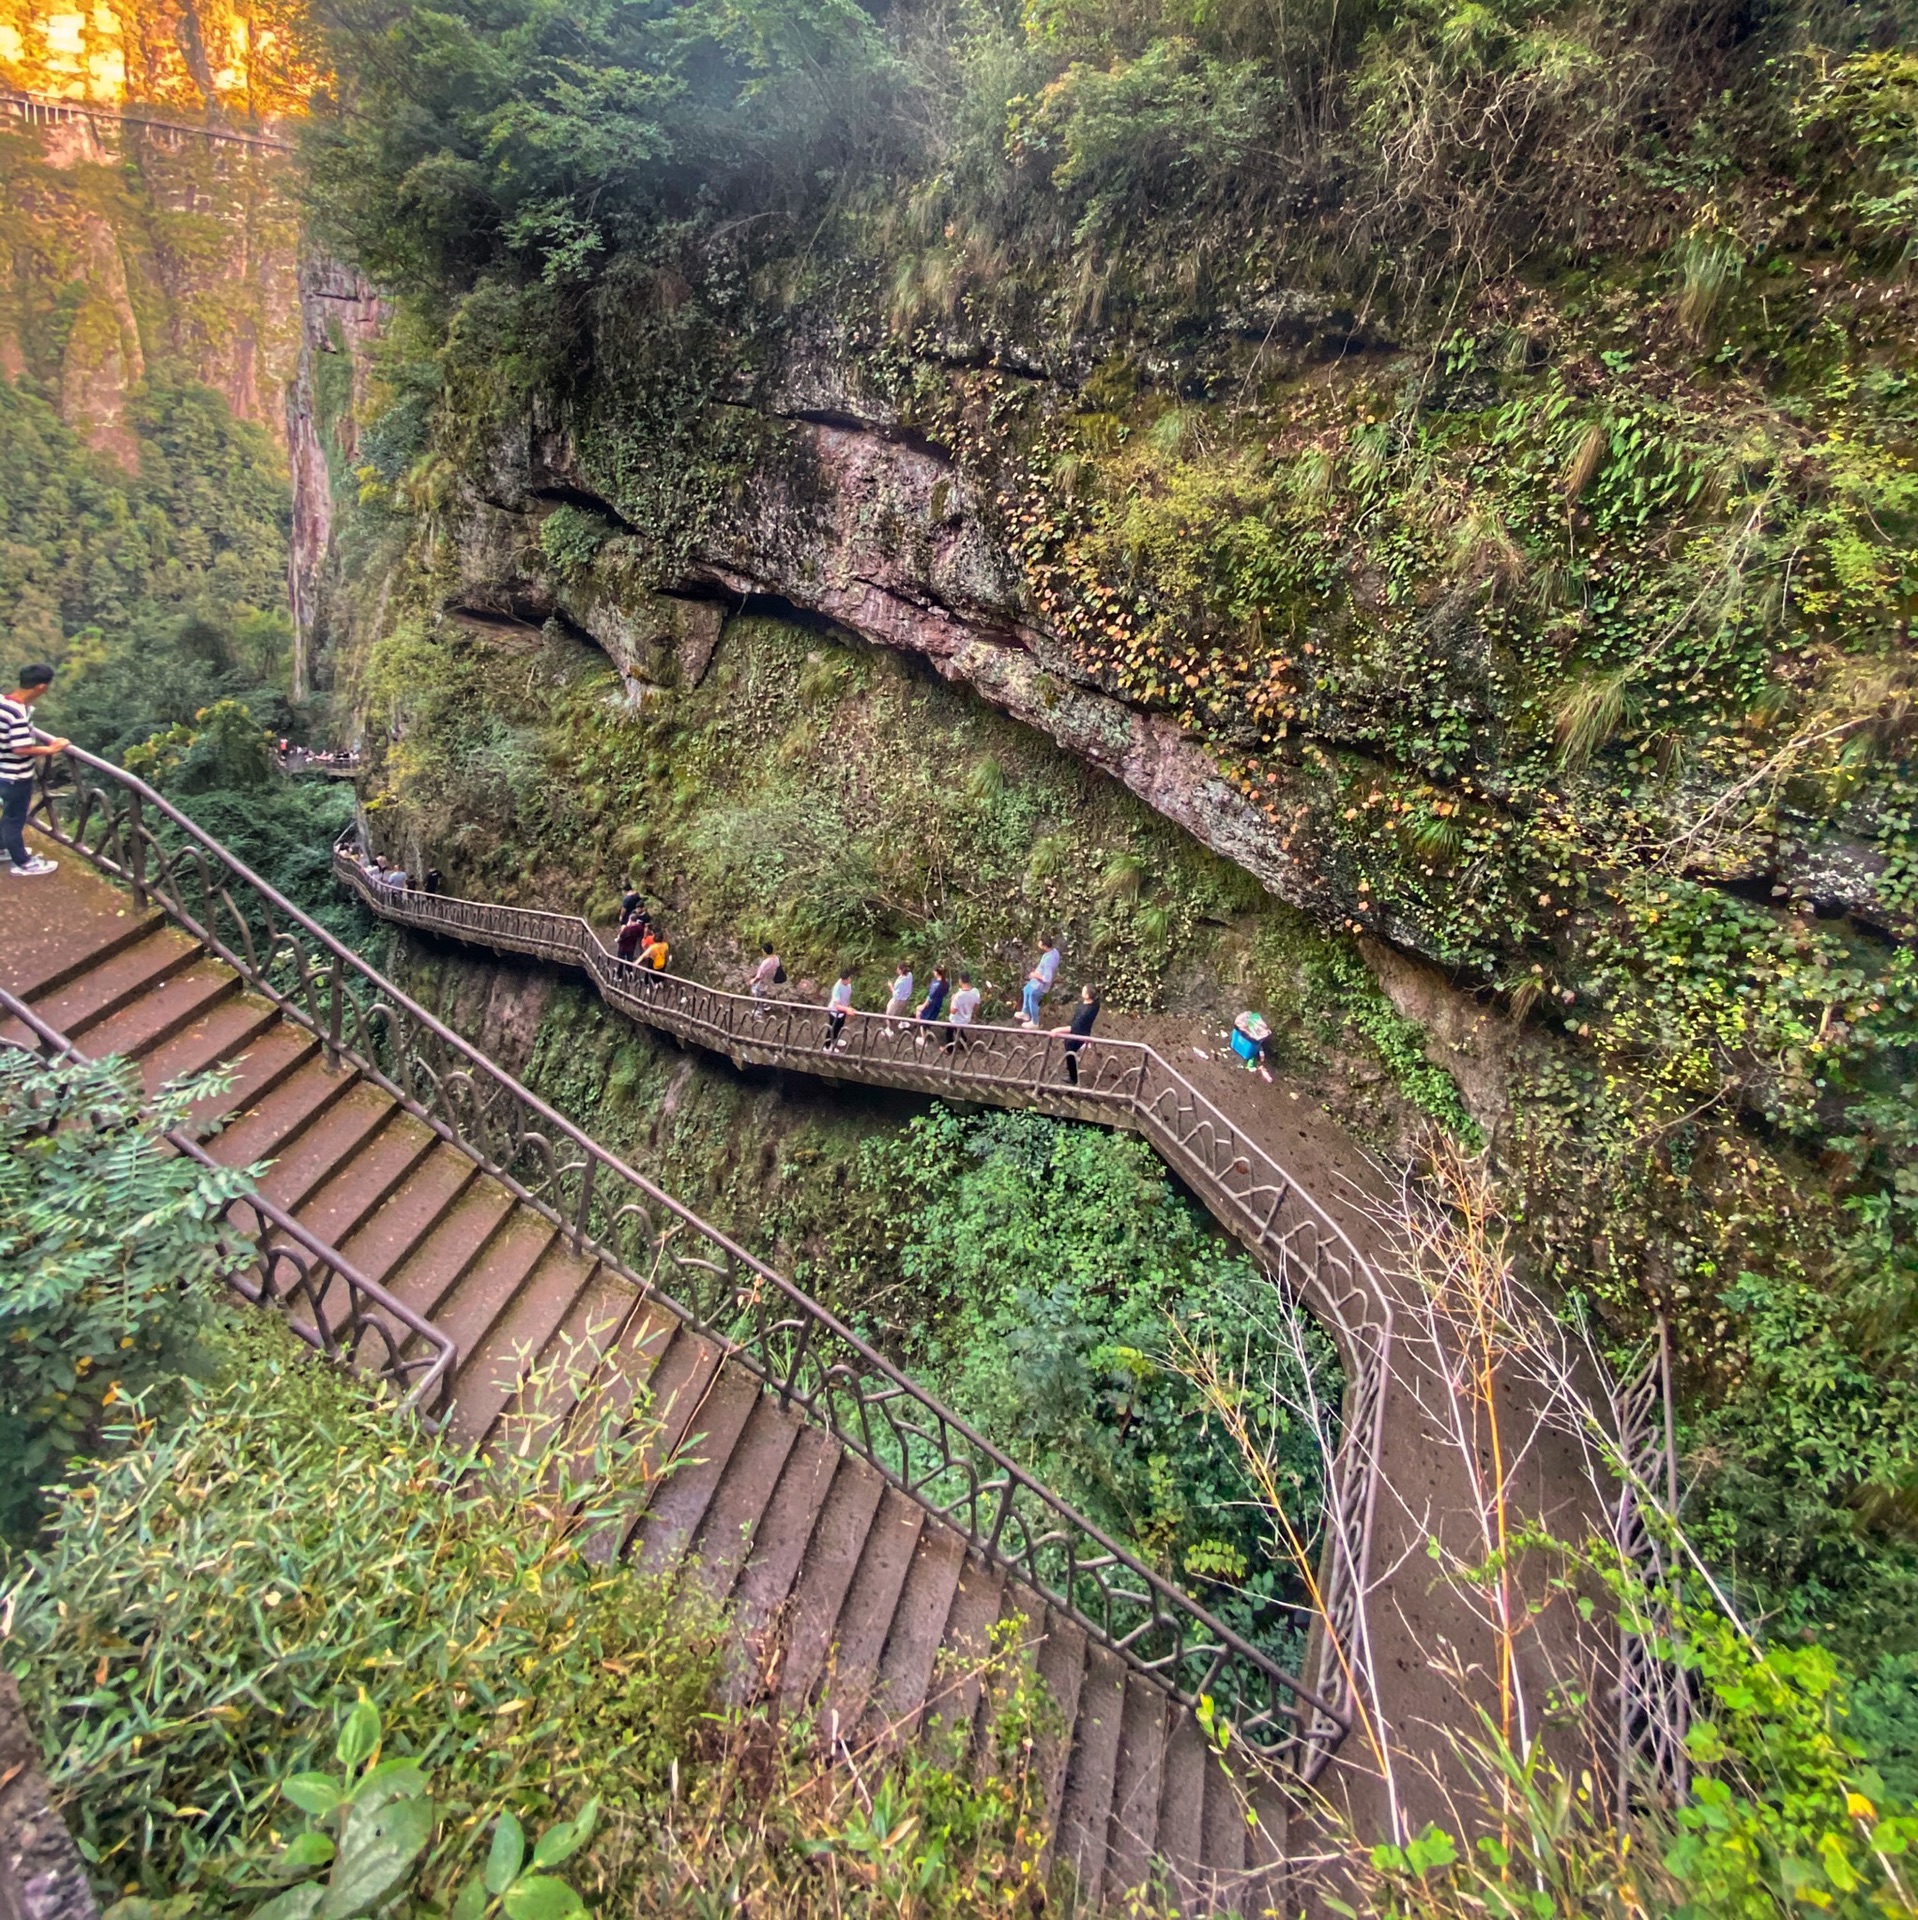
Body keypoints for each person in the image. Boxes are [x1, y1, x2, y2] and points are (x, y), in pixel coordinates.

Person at [2, 663, 67, 877]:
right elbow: (20, 747)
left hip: (3, 772)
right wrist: (51, 749)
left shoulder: (4, 703)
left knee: (10, 815)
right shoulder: (17, 713)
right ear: (40, 687)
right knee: (15, 819)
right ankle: (23, 863)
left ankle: (3, 849)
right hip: (15, 776)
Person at [1052, 984, 1101, 1086]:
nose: (1081, 991)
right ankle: (1071, 1066)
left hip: (1079, 1034)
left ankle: (1073, 1077)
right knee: (1070, 1049)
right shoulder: (1095, 1005)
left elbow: (1073, 1027)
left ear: (1087, 996)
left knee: (1070, 1049)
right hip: (1084, 1031)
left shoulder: (1085, 1012)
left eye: (1084, 990)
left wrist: (1057, 1030)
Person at [1019, 936, 1061, 1026]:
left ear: (1044, 945)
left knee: (1032, 998)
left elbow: (1047, 978)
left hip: (1040, 985)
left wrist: (1035, 975)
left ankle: (1035, 1022)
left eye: (1040, 942)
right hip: (1035, 982)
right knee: (1026, 989)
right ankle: (1025, 1012)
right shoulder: (1054, 952)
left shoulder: (1049, 961)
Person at [944, 970, 980, 1052]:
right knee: (959, 1031)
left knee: (949, 1032)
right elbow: (977, 1005)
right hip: (967, 1018)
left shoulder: (958, 996)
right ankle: (963, 1044)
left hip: (956, 1020)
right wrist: (974, 1014)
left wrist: (952, 1000)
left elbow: (952, 1011)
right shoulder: (975, 992)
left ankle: (949, 1050)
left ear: (960, 980)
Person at [824, 970, 854, 1048]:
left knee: (839, 1026)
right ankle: (827, 1046)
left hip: (843, 1010)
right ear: (843, 980)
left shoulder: (848, 985)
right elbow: (837, 1005)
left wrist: (848, 1006)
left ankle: (835, 1039)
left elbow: (847, 997)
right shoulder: (837, 988)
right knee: (832, 1028)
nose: (849, 980)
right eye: (848, 979)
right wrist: (847, 1009)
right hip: (834, 1012)